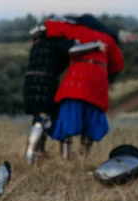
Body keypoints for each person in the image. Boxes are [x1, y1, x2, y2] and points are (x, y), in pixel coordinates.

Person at [31, 15, 125, 159]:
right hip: (98, 79)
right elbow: (118, 64)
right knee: (92, 116)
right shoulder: (109, 38)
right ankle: (84, 156)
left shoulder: (76, 28)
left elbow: (46, 29)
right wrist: (109, 79)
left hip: (77, 77)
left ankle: (65, 157)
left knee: (69, 115)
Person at [24, 30, 106, 164]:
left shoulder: (37, 45)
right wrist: (95, 46)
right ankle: (31, 153)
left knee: (39, 117)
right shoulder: (57, 43)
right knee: (43, 118)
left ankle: (38, 151)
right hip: (46, 81)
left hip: (30, 80)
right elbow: (73, 50)